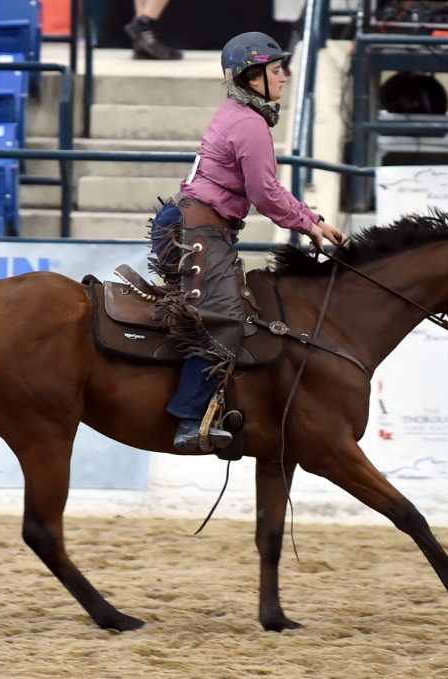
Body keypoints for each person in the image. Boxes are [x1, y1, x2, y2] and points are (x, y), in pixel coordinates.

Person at [149, 31, 348, 453]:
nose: (285, 76)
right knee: (222, 316)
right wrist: (309, 225)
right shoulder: (250, 125)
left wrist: (310, 219)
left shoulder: (239, 114)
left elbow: (267, 189)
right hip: (198, 229)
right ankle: (188, 421)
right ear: (252, 77)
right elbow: (264, 193)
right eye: (277, 70)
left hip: (190, 223)